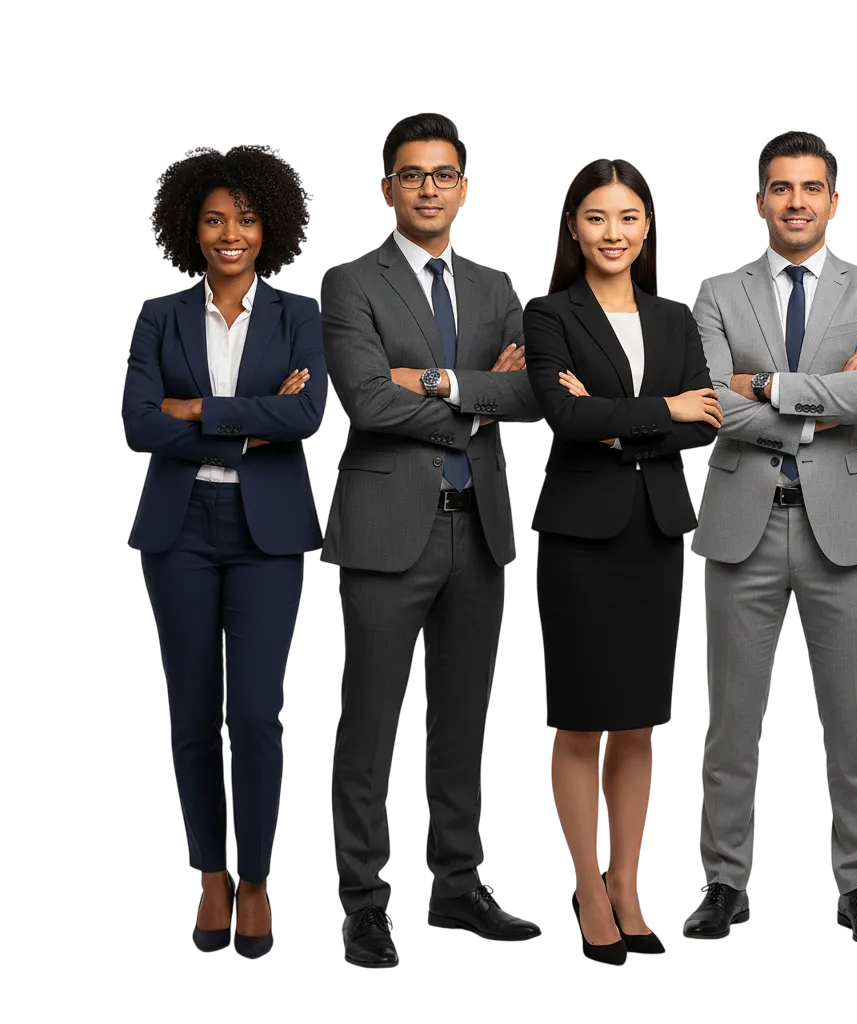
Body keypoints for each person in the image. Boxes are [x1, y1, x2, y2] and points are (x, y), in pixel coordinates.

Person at [321, 113, 544, 971]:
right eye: (411, 175)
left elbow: (534, 395)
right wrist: (480, 401)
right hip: (387, 533)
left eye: (443, 175)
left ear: (466, 191)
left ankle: (456, 888)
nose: (427, 189)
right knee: (371, 725)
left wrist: (442, 382)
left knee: (460, 725)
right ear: (386, 189)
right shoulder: (352, 283)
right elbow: (367, 401)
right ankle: (363, 904)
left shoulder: (495, 287)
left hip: (479, 532)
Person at [685, 130, 857, 945]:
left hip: (843, 528)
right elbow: (712, 401)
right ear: (759, 201)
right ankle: (723, 882)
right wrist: (824, 402)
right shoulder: (716, 291)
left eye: (812, 188)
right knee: (729, 724)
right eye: (781, 188)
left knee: (853, 722)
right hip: (742, 523)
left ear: (834, 202)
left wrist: (769, 385)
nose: (797, 202)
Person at [123, 143, 326, 958]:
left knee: (254, 712)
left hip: (265, 531)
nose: (230, 234)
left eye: (244, 219)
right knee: (193, 713)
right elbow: (139, 425)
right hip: (180, 530)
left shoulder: (298, 315)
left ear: (268, 227)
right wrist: (248, 418)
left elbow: (307, 417)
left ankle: (254, 879)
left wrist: (199, 410)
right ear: (191, 230)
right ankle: (209, 873)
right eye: (213, 220)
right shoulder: (160, 316)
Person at [523, 159, 722, 966]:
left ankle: (629, 885)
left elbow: (706, 421)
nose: (614, 233)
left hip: (655, 533)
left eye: (628, 217)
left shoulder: (674, 318)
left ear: (647, 226)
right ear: (574, 227)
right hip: (579, 540)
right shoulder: (550, 314)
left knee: (639, 721)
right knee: (580, 721)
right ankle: (587, 892)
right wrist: (659, 409)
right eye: (598, 217)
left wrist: (615, 420)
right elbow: (562, 417)